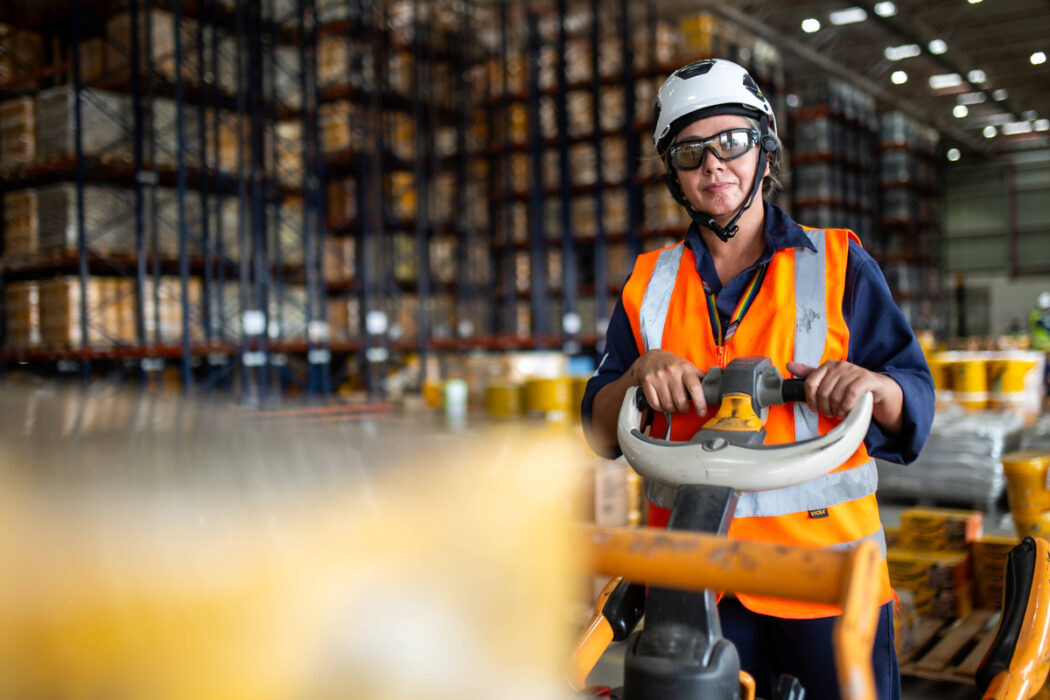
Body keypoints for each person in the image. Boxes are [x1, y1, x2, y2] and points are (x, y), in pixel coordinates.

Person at [580, 58, 935, 700]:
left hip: (825, 577)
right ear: (674, 176)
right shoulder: (647, 284)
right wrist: (636, 373)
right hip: (694, 588)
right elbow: (601, 430)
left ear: (765, 154)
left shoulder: (838, 264)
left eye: (731, 143)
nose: (713, 165)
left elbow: (909, 397)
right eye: (690, 152)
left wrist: (866, 387)